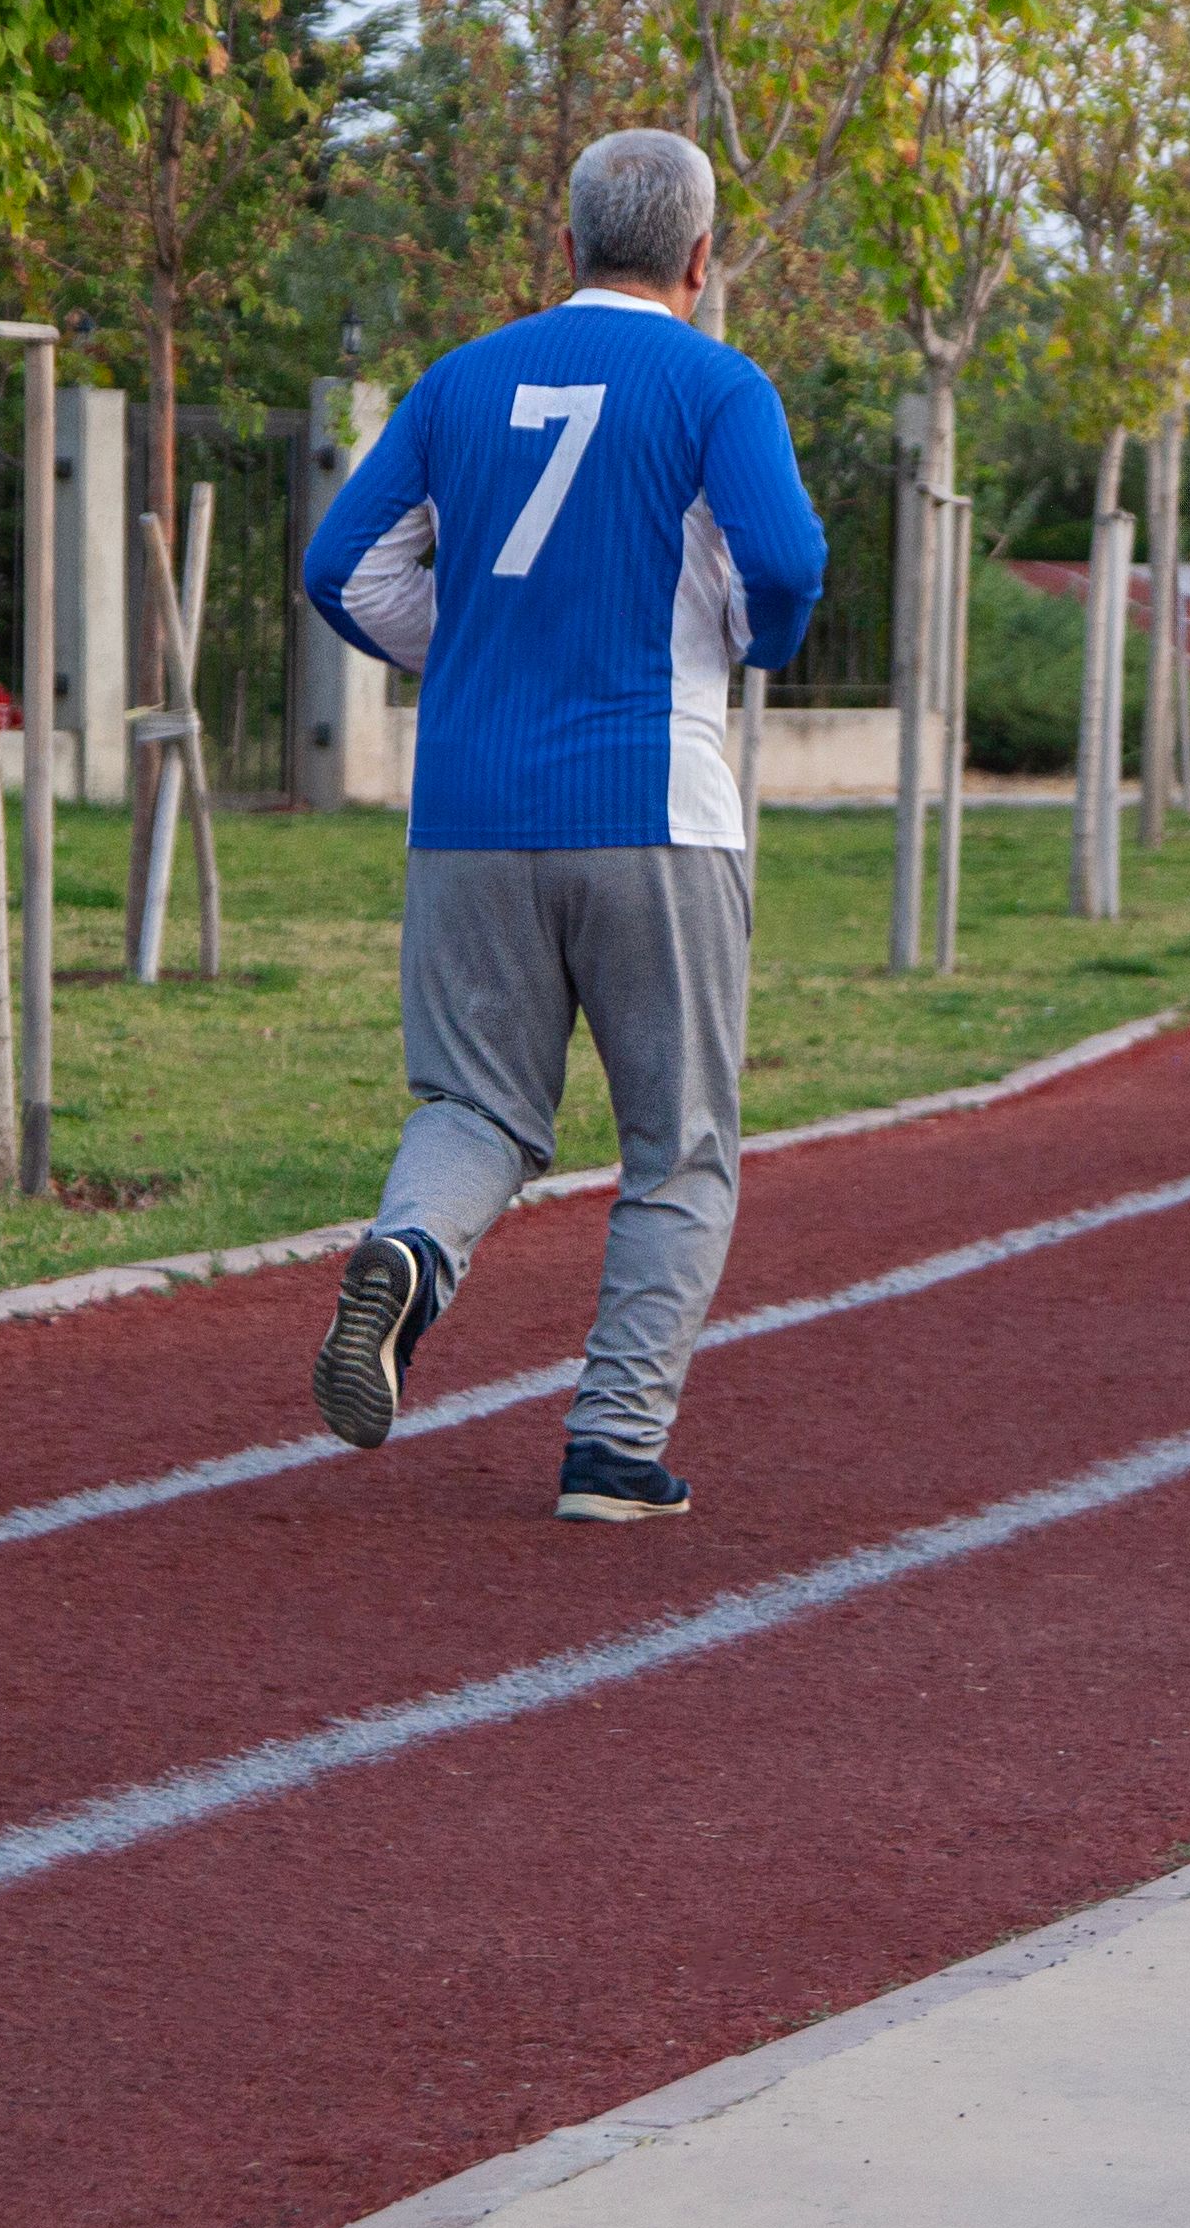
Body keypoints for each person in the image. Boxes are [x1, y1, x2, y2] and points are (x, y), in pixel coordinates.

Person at [294, 129, 826, 1522]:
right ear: (700, 261)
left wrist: (462, 650)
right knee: (680, 1144)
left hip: (468, 811)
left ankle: (409, 1253)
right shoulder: (717, 384)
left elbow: (340, 567)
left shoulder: (459, 380)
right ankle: (611, 1446)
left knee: (473, 1104)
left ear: (566, 242)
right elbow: (785, 560)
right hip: (653, 809)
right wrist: (749, 641)